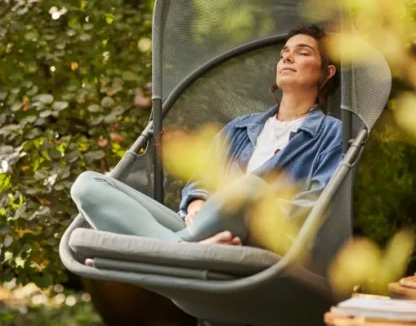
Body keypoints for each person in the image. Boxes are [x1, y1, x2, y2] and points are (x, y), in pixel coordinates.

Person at [70, 24, 342, 246]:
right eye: (284, 52)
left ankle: (167, 249)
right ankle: (185, 249)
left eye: (302, 52)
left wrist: (250, 201)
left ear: (326, 72)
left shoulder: (332, 133)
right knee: (87, 185)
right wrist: (197, 202)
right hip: (201, 228)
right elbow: (200, 180)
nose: (287, 57)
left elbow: (315, 206)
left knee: (251, 186)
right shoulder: (239, 127)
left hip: (254, 237)